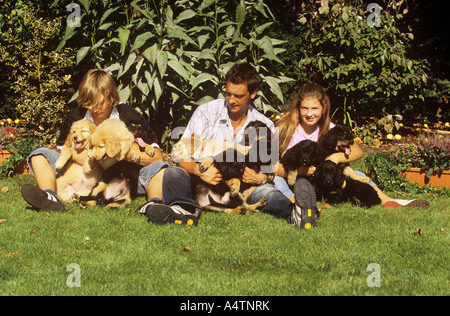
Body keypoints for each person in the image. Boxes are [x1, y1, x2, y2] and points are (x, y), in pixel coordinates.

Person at [21, 69, 201, 225]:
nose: (94, 109)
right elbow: (62, 148)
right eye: (88, 103)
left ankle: (153, 204)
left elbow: (157, 156)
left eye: (99, 103)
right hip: (81, 170)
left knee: (160, 168)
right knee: (39, 154)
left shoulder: (130, 117)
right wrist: (81, 157)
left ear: (111, 96)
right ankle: (49, 196)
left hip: (124, 176)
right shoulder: (76, 115)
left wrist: (122, 154)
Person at [173, 62, 319, 229]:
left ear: (253, 94)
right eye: (228, 94)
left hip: (243, 185)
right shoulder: (206, 112)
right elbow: (179, 154)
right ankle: (177, 209)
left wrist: (262, 177)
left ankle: (297, 213)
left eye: (238, 96)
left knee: (267, 192)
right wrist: (197, 169)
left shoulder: (264, 125)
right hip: (203, 180)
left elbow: (272, 165)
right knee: (174, 173)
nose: (231, 100)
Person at [275, 83, 430, 209]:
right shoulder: (285, 128)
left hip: (319, 177)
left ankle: (389, 201)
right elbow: (273, 165)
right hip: (290, 176)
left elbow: (357, 151)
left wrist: (335, 157)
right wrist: (300, 171)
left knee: (358, 175)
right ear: (298, 107)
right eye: (305, 108)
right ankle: (295, 205)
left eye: (314, 108)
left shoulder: (328, 128)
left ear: (323, 108)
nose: (310, 113)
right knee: (277, 181)